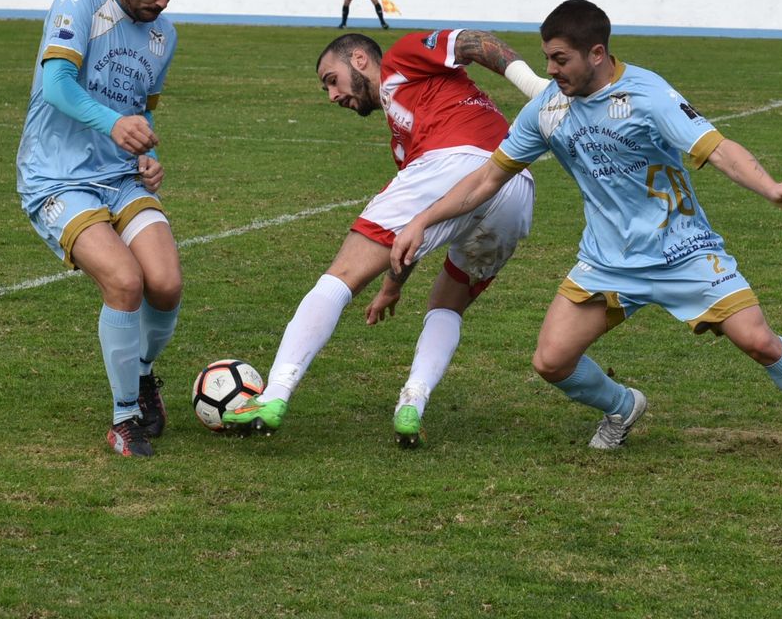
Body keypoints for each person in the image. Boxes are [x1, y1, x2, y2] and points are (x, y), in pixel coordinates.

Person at [391, 0, 782, 476]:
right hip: (608, 262)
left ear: (597, 54)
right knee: (551, 362)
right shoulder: (547, 110)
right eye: (546, 58)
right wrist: (422, 221)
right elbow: (486, 179)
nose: (549, 70)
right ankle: (622, 407)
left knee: (761, 343)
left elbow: (718, 148)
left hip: (683, 250)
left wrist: (771, 188)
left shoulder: (648, 95)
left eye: (560, 59)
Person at [222, 28, 547, 446]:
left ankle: (273, 396)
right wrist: (393, 286)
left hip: (455, 161)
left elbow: (472, 42)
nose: (332, 96)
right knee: (449, 302)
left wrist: (535, 87)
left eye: (332, 80)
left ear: (359, 59)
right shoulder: (402, 142)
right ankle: (412, 404)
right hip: (515, 186)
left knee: (341, 277)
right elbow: (413, 236)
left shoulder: (401, 58)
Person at [16, 0, 191, 458]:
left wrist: (148, 156)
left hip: (120, 177)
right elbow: (56, 84)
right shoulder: (80, 1)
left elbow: (140, 110)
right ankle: (123, 419)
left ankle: (141, 374)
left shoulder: (164, 37)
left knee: (166, 284)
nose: (161, 1)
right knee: (124, 281)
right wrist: (113, 124)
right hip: (57, 177)